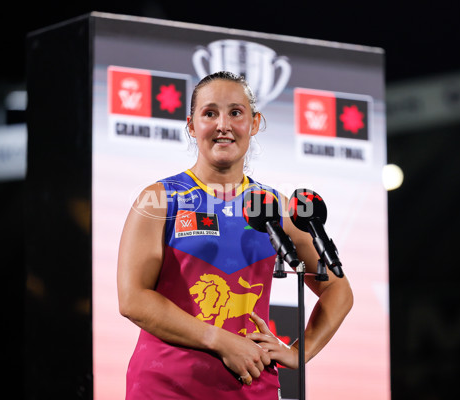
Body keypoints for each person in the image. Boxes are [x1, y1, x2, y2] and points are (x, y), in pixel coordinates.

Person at [117, 71, 353, 399]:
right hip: (166, 385)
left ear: (255, 124)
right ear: (191, 125)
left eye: (236, 113)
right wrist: (220, 340)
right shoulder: (160, 199)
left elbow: (338, 289)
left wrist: (300, 352)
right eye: (210, 113)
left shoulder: (275, 207)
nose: (223, 125)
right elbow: (133, 300)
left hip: (251, 386)